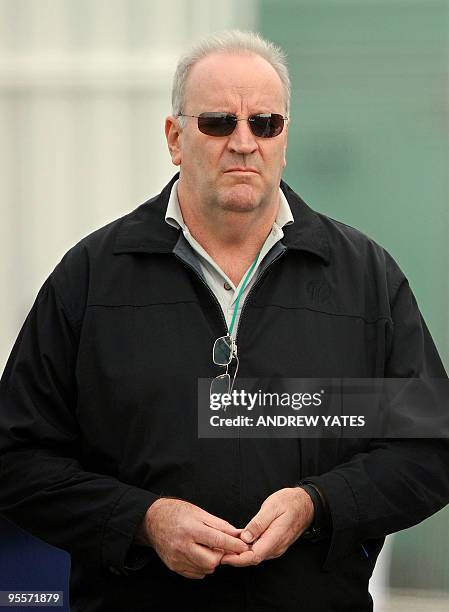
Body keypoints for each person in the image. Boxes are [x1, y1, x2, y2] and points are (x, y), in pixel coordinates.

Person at [0, 30, 448, 612]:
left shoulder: (365, 279)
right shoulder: (91, 278)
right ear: (174, 138)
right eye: (217, 122)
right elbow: (18, 457)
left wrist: (319, 504)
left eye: (265, 123)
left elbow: (429, 446)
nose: (244, 142)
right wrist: (143, 521)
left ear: (285, 139)